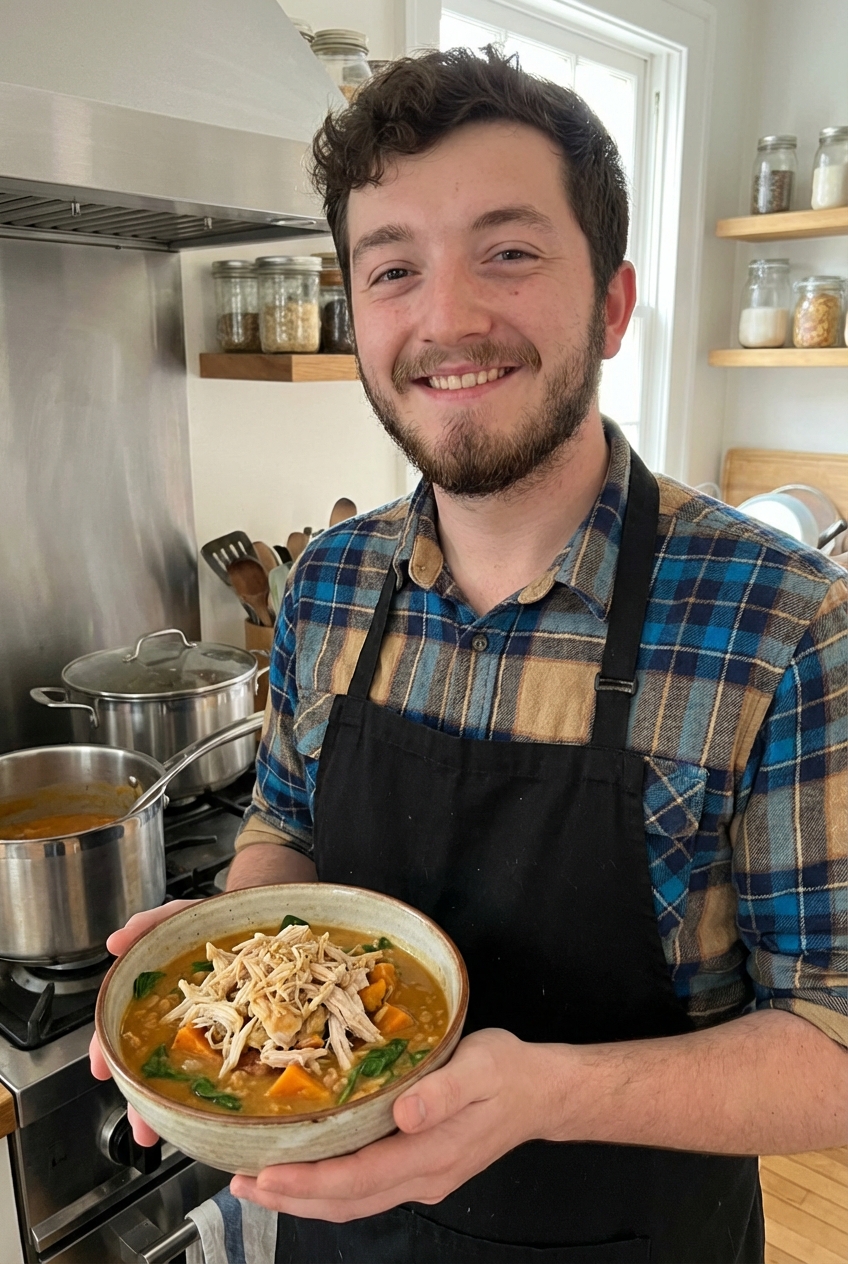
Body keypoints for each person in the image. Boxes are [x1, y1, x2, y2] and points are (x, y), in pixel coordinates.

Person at [92, 47, 847, 1264]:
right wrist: (221, 980)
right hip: (339, 1236)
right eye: (394, 268)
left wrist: (546, 1093)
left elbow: (834, 1041)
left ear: (609, 300)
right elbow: (283, 834)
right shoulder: (327, 583)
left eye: (507, 251)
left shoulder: (783, 625)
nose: (445, 319)